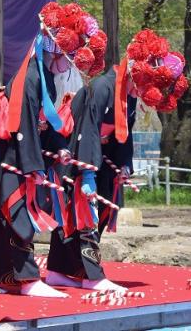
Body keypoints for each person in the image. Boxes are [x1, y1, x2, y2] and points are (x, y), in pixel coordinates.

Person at [0, 1, 106, 297]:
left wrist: (58, 147)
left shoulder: (44, 75)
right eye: (66, 57)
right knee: (17, 208)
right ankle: (26, 280)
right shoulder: (31, 76)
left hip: (19, 146)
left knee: (8, 213)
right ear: (54, 49)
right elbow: (24, 125)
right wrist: (33, 167)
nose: (67, 65)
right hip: (10, 147)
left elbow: (42, 123)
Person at [46, 29, 186, 291]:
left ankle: (60, 270)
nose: (142, 90)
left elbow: (125, 133)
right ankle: (92, 276)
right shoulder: (102, 87)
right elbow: (87, 129)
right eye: (143, 83)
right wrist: (87, 172)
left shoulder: (128, 96)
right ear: (134, 70)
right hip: (79, 154)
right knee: (84, 213)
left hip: (103, 157)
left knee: (96, 213)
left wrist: (124, 165)